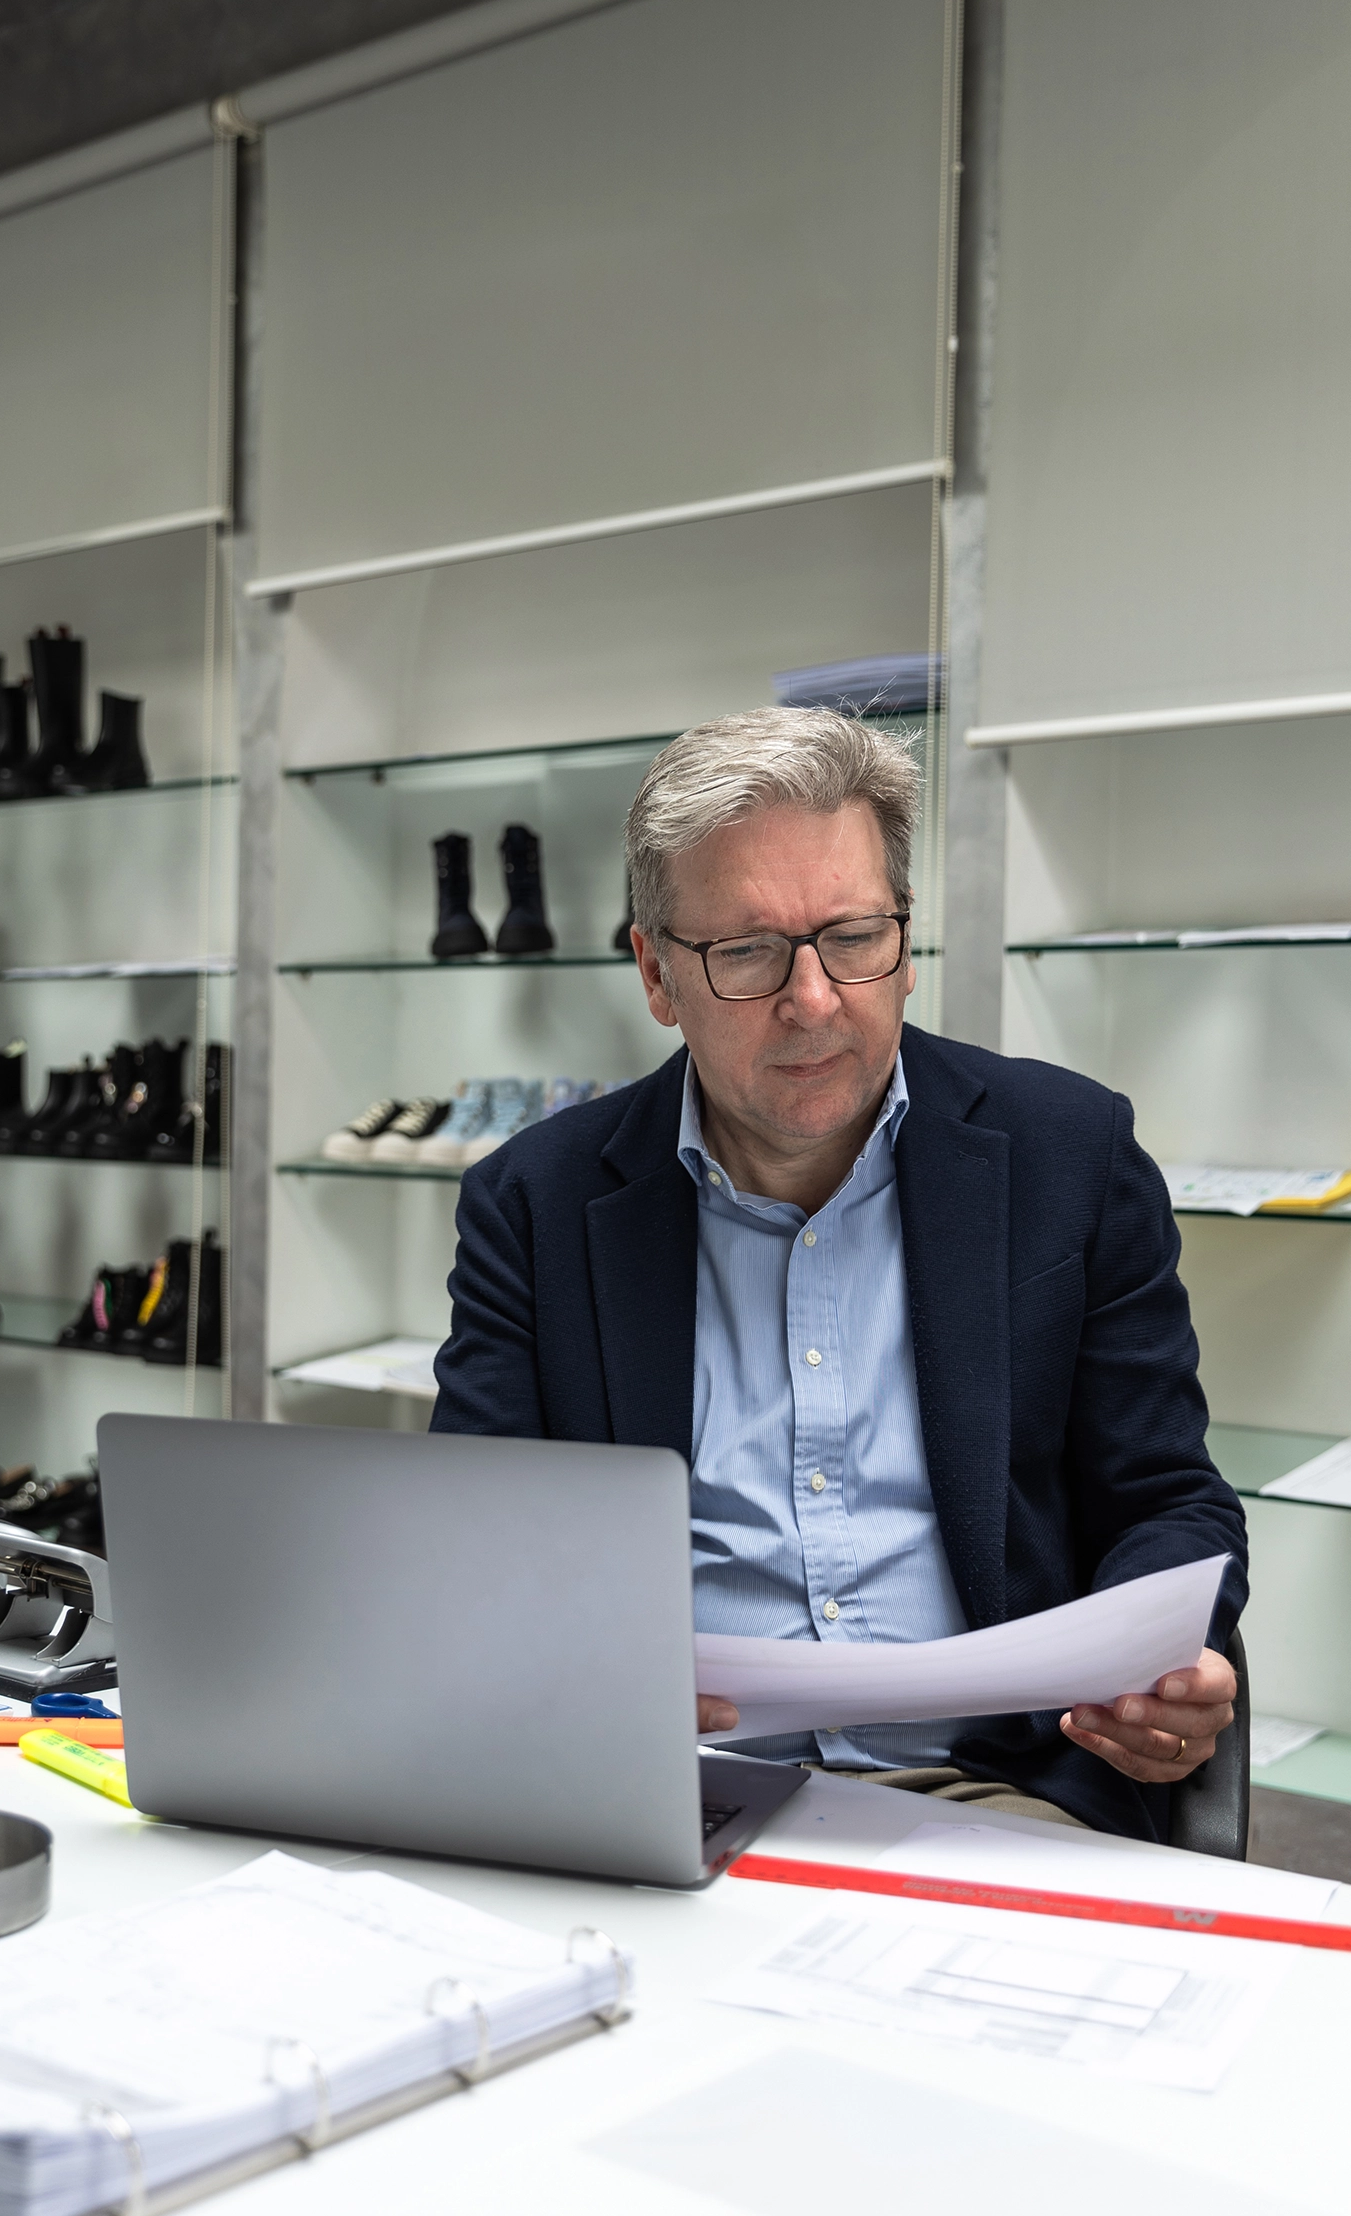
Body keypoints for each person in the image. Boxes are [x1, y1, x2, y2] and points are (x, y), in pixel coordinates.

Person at [430, 706, 1247, 1839]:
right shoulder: (537, 1203)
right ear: (656, 973)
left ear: (904, 946)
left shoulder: (1070, 1155)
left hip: (994, 1789)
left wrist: (1162, 1666)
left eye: (853, 936)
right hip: (660, 1787)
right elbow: (477, 1543)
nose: (812, 1000)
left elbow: (1166, 1499)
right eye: (748, 952)